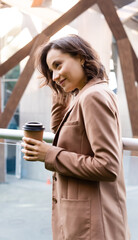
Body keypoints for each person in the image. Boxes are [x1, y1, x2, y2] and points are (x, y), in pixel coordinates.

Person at [21, 34, 130, 240]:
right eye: (50, 70)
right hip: (84, 218)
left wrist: (50, 154)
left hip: (92, 223)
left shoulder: (93, 97)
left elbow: (108, 166)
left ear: (81, 57)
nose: (54, 75)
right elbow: (59, 130)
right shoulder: (85, 94)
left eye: (58, 65)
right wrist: (60, 84)